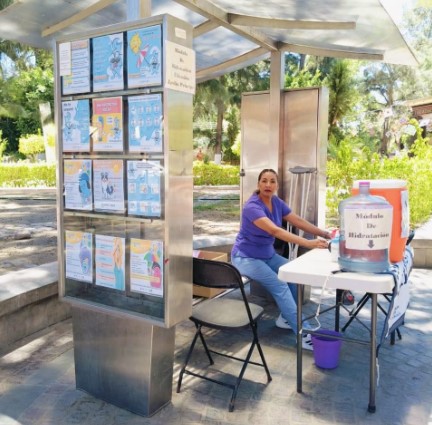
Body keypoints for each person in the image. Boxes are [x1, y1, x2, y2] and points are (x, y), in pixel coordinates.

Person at [231, 168, 331, 351]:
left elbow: (297, 220)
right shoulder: (252, 207)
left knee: (294, 273)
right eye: (264, 181)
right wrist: (308, 243)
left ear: (277, 185)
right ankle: (302, 333)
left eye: (272, 181)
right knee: (280, 285)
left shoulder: (276, 202)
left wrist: (323, 233)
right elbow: (275, 231)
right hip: (246, 257)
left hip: (267, 255)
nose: (268, 185)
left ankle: (286, 318)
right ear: (258, 184)